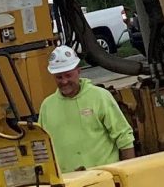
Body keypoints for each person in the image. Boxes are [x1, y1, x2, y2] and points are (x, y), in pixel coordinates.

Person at [37, 44, 136, 173]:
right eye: (59, 77)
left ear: (78, 70)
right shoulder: (47, 106)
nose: (64, 81)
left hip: (104, 177)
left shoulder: (100, 97)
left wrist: (128, 172)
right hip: (68, 181)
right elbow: (41, 147)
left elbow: (124, 137)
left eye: (68, 75)